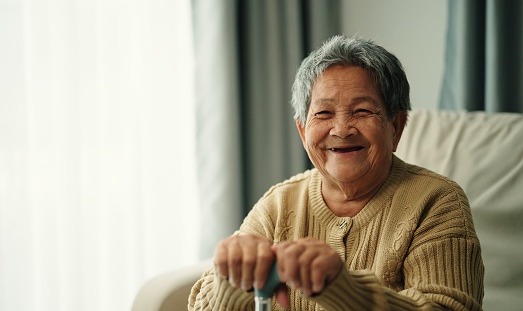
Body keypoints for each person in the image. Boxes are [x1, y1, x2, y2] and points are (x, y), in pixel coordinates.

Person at [188, 34, 484, 310]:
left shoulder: (437, 201)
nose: (341, 130)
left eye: (362, 111)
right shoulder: (278, 205)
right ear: (303, 131)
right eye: (324, 113)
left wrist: (343, 288)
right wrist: (233, 277)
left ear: (395, 127)